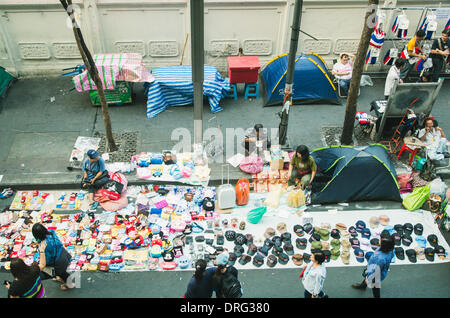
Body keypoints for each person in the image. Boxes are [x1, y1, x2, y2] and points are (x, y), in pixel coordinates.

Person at [32, 223, 72, 291]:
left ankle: (69, 284)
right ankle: (61, 278)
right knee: (61, 272)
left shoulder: (44, 245)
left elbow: (46, 260)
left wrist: (39, 258)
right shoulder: (51, 232)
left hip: (58, 262)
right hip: (63, 253)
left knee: (62, 273)